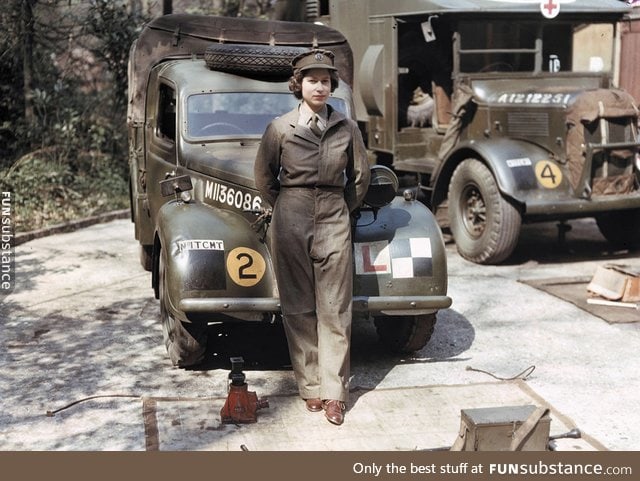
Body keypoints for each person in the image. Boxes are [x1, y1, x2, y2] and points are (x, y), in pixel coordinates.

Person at [254, 49, 370, 425]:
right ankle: (311, 387)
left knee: (335, 308)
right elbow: (264, 180)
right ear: (298, 85)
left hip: (335, 215)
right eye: (311, 80)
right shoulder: (279, 128)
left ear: (333, 85)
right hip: (291, 216)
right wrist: (288, 207)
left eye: (325, 81)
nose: (319, 87)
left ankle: (334, 393)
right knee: (299, 307)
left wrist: (340, 209)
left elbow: (360, 177)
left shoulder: (347, 128)